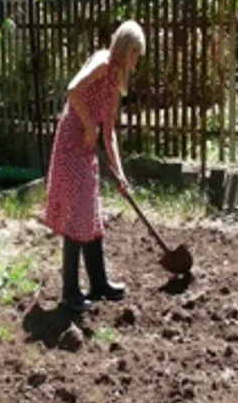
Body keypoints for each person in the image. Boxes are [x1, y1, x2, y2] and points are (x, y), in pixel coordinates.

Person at [44, 20, 146, 312]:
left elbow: (110, 131)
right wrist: (89, 125)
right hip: (71, 141)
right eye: (135, 55)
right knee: (78, 215)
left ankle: (99, 283)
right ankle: (69, 292)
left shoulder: (116, 81)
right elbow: (72, 90)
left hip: (87, 146)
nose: (135, 62)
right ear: (125, 49)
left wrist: (120, 175)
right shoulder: (103, 62)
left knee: (92, 213)